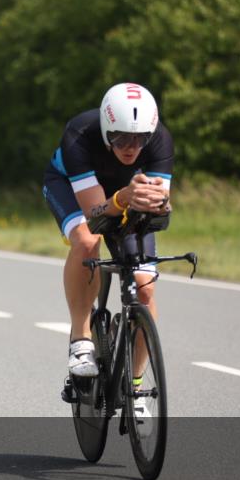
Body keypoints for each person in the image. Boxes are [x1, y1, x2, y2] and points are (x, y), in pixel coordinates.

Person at [43, 83, 173, 423]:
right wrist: (122, 199)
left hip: (124, 195)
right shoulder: (79, 134)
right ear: (105, 129)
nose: (130, 148)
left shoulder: (160, 139)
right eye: (120, 139)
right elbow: (95, 215)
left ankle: (136, 383)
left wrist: (159, 205)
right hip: (73, 189)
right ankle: (81, 340)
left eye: (138, 140)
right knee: (87, 242)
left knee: (144, 286)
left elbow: (159, 213)